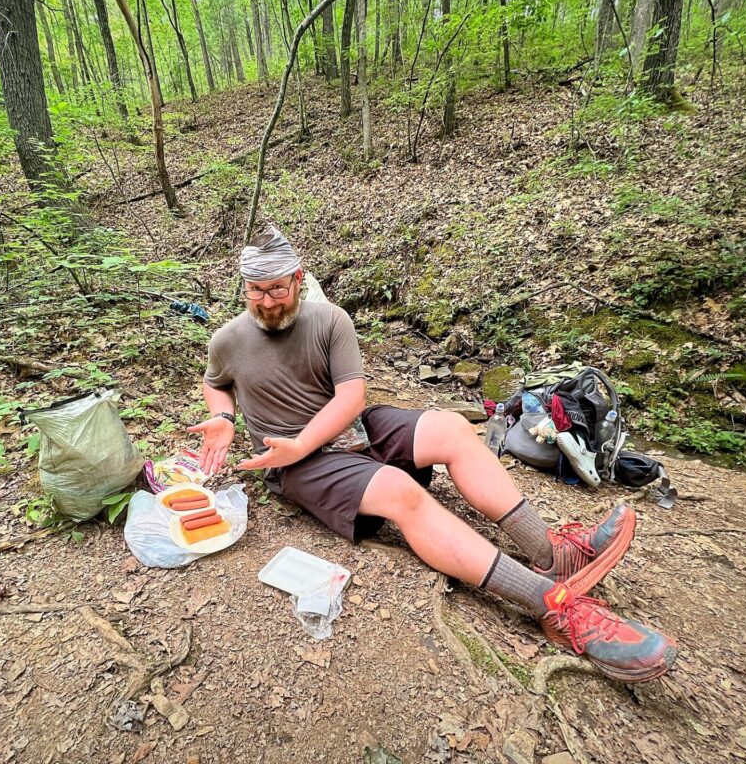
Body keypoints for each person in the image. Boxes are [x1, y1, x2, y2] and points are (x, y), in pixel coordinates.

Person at [188, 228, 677, 683]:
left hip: (350, 429)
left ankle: (551, 553)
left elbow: (351, 397)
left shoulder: (329, 320)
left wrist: (309, 437)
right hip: (293, 459)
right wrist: (225, 418)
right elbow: (216, 382)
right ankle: (551, 603)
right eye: (255, 291)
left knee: (451, 427)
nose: (267, 302)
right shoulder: (228, 339)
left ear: (298, 278)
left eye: (277, 289)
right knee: (401, 491)